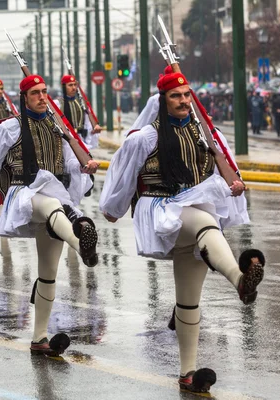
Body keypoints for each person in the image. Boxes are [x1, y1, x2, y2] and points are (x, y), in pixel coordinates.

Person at [99, 67, 266, 394]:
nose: (183, 101)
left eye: (187, 95)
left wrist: (234, 184)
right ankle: (240, 280)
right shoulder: (146, 137)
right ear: (162, 100)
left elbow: (224, 168)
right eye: (175, 96)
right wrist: (113, 209)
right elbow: (122, 173)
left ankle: (188, 374)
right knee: (205, 223)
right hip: (160, 209)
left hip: (195, 209)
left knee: (189, 300)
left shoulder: (206, 133)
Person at [0, 75, 99, 356]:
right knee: (52, 206)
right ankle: (82, 245)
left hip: (55, 195)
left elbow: (68, 162)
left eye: (45, 92)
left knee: (48, 272)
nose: (43, 97)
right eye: (36, 93)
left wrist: (83, 167)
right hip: (24, 194)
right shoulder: (9, 128)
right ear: (24, 98)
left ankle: (39, 338)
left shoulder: (57, 127)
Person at [55, 75, 102, 150]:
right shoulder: (57, 104)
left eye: (75, 85)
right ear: (64, 86)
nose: (73, 88)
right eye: (70, 85)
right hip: (65, 141)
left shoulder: (81, 103)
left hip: (81, 139)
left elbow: (88, 123)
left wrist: (94, 128)